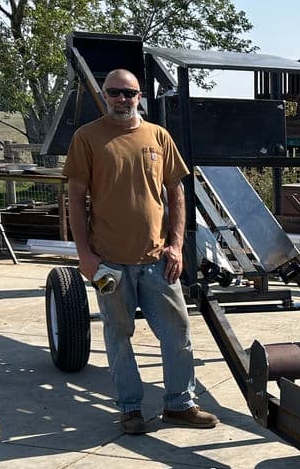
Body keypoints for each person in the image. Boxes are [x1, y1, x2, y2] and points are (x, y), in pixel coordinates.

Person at [63, 68, 217, 435]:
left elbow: (177, 193)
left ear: (139, 96)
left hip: (156, 262)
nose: (122, 99)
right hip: (109, 265)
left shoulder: (158, 137)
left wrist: (177, 246)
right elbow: (75, 198)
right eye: (114, 93)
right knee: (119, 335)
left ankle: (180, 405)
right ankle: (131, 409)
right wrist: (84, 254)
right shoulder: (87, 138)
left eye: (128, 93)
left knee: (177, 333)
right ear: (104, 95)